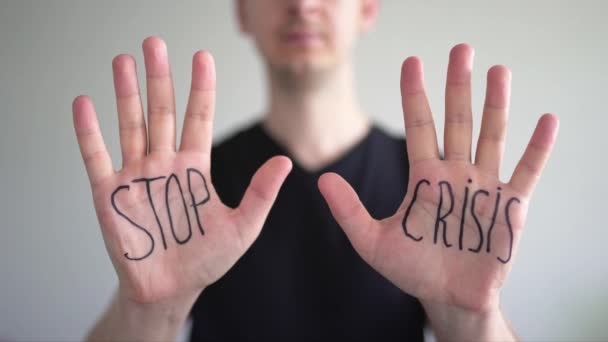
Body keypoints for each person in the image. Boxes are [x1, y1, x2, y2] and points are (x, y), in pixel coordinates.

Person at [72, 0, 558, 341]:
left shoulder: (435, 193)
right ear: (243, 10)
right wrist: (148, 309)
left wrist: (471, 318)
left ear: (366, 8)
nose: (303, 4)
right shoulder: (182, 194)